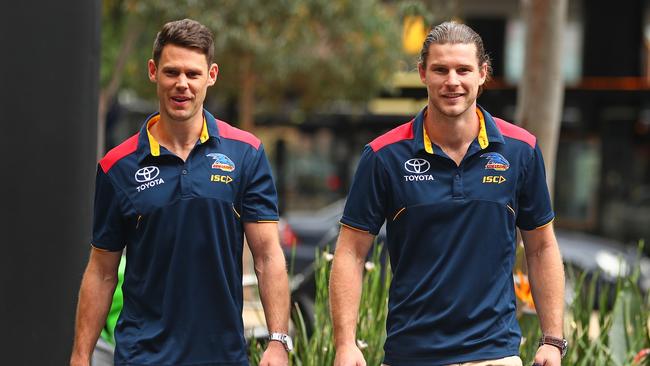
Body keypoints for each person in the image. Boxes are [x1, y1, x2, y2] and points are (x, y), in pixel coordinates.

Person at [330, 21, 566, 366]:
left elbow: (542, 246)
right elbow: (350, 252)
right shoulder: (384, 155)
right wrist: (345, 343)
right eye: (440, 69)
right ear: (423, 73)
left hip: (495, 354)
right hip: (411, 355)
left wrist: (552, 340)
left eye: (463, 70)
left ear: (483, 74)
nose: (452, 81)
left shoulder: (521, 151)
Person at [70, 19, 291, 366]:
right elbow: (101, 271)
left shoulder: (246, 153)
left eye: (193, 74)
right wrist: (81, 356)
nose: (182, 85)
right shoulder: (117, 167)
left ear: (211, 75)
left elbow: (267, 256)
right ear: (153, 71)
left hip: (222, 356)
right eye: (172, 72)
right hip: (143, 357)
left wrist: (278, 341)